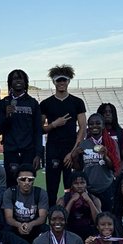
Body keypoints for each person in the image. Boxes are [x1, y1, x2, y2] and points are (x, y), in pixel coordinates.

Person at [39, 65, 87, 205]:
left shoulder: (77, 102)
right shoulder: (46, 103)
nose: (61, 83)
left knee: (72, 187)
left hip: (71, 149)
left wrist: (73, 152)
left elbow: (83, 128)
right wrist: (54, 124)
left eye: (64, 80)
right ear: (54, 82)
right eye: (58, 80)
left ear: (68, 81)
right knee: (52, 188)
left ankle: (72, 218)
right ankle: (52, 217)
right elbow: (40, 128)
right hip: (53, 149)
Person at [0, 70, 42, 185]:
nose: (18, 81)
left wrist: (38, 154)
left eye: (21, 78)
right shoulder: (4, 103)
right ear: (10, 83)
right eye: (15, 78)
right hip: (11, 150)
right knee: (11, 184)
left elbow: (38, 130)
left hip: (29, 151)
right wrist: (7, 116)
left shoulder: (33, 103)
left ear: (26, 83)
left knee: (27, 183)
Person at [71, 113, 119, 210]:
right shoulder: (84, 144)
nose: (94, 126)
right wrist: (75, 157)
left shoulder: (110, 143)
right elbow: (79, 168)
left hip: (106, 187)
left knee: (108, 217)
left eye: (98, 123)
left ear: (103, 125)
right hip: (89, 189)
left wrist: (105, 156)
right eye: (91, 124)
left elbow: (113, 166)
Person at [3, 165, 49, 244]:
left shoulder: (41, 193)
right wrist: (19, 225)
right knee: (5, 229)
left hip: (34, 227)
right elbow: (8, 218)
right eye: (23, 179)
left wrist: (31, 224)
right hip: (16, 227)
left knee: (46, 229)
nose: (27, 182)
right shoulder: (10, 192)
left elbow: (42, 217)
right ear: (17, 180)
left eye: (30, 179)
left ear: (34, 180)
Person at [58, 170, 102, 239]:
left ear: (86, 184)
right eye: (76, 183)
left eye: (82, 183)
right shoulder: (63, 199)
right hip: (70, 230)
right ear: (71, 185)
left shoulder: (94, 199)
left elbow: (99, 221)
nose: (79, 186)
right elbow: (60, 220)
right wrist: (71, 201)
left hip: (88, 231)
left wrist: (89, 201)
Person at [96, 103, 123, 173]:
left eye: (110, 112)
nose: (108, 114)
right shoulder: (93, 133)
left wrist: (117, 172)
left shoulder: (122, 133)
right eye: (105, 112)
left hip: (115, 171)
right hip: (98, 172)